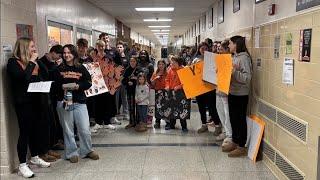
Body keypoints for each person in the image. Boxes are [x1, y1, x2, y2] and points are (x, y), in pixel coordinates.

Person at [7, 37, 51, 178]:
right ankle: (22, 165)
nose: (34, 48)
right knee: (25, 132)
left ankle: (35, 157)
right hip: (23, 103)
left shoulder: (34, 62)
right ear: (24, 47)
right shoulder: (13, 62)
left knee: (36, 130)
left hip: (36, 100)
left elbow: (45, 73)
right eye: (32, 46)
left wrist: (37, 61)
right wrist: (32, 61)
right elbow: (23, 78)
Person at [53, 44, 99, 163]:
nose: (66, 55)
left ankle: (87, 150)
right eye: (64, 53)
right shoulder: (58, 69)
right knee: (68, 130)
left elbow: (88, 82)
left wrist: (78, 86)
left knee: (84, 128)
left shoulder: (80, 68)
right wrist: (62, 86)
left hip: (79, 102)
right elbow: (53, 85)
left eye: (69, 52)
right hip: (64, 102)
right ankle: (71, 153)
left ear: (74, 54)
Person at [225, 35, 252, 157]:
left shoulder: (244, 58)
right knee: (233, 119)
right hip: (232, 92)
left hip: (241, 94)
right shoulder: (233, 57)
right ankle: (235, 141)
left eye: (230, 43)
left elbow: (247, 78)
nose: (228, 46)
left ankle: (242, 146)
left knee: (240, 120)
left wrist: (234, 72)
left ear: (236, 44)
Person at [39, 44, 64, 161]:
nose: (59, 58)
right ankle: (47, 148)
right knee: (49, 122)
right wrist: (56, 67)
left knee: (55, 122)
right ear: (53, 52)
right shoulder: (41, 62)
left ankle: (54, 143)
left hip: (55, 95)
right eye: (58, 55)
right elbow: (46, 76)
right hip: (47, 97)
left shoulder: (54, 63)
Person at [192, 42, 221, 134]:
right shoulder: (195, 59)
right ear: (199, 49)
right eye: (201, 48)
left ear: (208, 49)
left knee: (212, 107)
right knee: (201, 107)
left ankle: (217, 126)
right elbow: (191, 72)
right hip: (199, 87)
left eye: (205, 48)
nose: (203, 50)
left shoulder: (213, 58)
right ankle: (204, 125)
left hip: (210, 87)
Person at [92, 40, 118, 130]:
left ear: (105, 47)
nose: (101, 48)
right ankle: (98, 122)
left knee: (107, 103)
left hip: (107, 83)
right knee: (98, 103)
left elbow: (113, 70)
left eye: (102, 46)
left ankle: (107, 122)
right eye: (99, 46)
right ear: (97, 47)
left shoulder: (109, 58)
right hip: (97, 84)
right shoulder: (93, 58)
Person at [213, 40, 233, 151]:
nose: (218, 50)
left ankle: (229, 135)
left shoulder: (230, 59)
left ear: (227, 49)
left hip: (226, 91)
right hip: (218, 89)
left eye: (221, 49)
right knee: (220, 110)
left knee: (227, 113)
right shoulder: (219, 59)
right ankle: (225, 131)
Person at [165, 56, 188, 133]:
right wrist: (167, 86)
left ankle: (184, 126)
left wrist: (178, 86)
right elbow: (167, 79)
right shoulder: (170, 70)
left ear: (179, 63)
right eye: (172, 62)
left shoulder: (183, 70)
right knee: (172, 108)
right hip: (171, 92)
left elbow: (186, 82)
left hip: (181, 93)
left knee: (182, 109)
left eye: (174, 62)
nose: (172, 64)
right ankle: (172, 124)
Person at [122, 57, 142, 129]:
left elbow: (143, 80)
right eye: (131, 61)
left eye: (134, 61)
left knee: (138, 107)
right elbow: (123, 80)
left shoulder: (139, 69)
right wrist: (128, 82)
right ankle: (131, 122)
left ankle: (138, 122)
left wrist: (136, 79)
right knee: (131, 107)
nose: (132, 62)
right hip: (130, 91)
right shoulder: (127, 70)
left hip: (138, 91)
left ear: (136, 62)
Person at [150, 60, 167, 129]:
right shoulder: (155, 73)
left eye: (162, 64)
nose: (161, 66)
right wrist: (155, 78)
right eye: (159, 64)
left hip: (165, 92)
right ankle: (157, 122)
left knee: (166, 107)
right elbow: (152, 83)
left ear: (165, 65)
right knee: (158, 108)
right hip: (157, 92)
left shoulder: (167, 73)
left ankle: (167, 122)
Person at [115, 41, 129, 120]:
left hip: (124, 80)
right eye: (118, 47)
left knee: (124, 97)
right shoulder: (114, 57)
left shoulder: (127, 58)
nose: (119, 48)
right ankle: (116, 112)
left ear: (123, 48)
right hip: (116, 80)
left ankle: (125, 113)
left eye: (121, 47)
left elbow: (127, 69)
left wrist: (124, 77)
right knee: (116, 98)